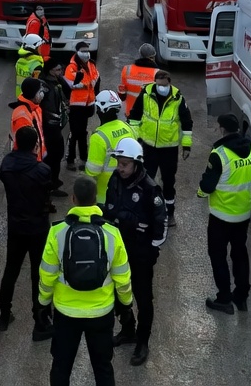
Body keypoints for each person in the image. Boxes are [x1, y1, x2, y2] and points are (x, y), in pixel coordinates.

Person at [38, 176, 133, 386]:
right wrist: (126, 305)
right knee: (103, 368)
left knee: (61, 367)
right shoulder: (112, 233)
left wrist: (43, 303)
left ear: (73, 199)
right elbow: (123, 277)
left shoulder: (57, 232)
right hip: (101, 312)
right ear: (95, 199)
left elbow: (47, 274)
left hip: (66, 312)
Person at [103, 137, 167, 367]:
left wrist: (152, 250)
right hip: (119, 251)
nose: (120, 168)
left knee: (143, 298)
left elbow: (161, 224)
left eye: (124, 164)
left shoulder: (150, 189)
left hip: (141, 254)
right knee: (119, 293)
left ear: (137, 163)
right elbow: (110, 209)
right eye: (119, 163)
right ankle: (127, 329)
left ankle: (142, 341)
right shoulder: (115, 179)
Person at [197, 113, 251, 315]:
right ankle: (241, 297)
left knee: (218, 256)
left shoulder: (219, 154)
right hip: (243, 214)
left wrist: (199, 192)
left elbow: (207, 186)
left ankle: (224, 298)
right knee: (240, 254)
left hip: (221, 217)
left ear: (222, 128)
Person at [0, 125, 55, 342]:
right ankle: (40, 319)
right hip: (38, 228)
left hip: (16, 226)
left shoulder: (6, 166)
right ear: (35, 145)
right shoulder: (42, 170)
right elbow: (46, 190)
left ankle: (4, 314)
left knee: (10, 269)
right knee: (38, 274)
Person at [127, 69, 192, 226]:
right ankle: (146, 211)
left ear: (169, 82)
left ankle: (170, 214)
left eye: (163, 85)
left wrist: (187, 146)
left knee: (168, 182)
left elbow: (187, 123)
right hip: (148, 146)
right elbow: (134, 117)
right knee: (146, 179)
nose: (160, 87)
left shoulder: (178, 99)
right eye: (158, 84)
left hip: (169, 148)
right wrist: (134, 141)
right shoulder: (146, 94)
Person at [84, 90, 132, 204]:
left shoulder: (98, 137)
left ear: (100, 110)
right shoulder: (127, 127)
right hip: (127, 193)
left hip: (105, 196)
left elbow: (92, 172)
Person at [35, 58, 69, 197]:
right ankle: (50, 184)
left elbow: (67, 91)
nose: (60, 72)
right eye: (57, 70)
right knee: (53, 156)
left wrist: (60, 78)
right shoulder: (46, 86)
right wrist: (54, 121)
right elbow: (48, 108)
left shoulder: (56, 82)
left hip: (55, 126)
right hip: (50, 127)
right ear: (50, 71)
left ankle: (53, 181)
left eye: (61, 70)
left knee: (57, 154)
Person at [64, 43, 100, 172]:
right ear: (77, 52)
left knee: (83, 133)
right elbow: (70, 83)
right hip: (76, 105)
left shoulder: (91, 64)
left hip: (87, 104)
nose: (86, 53)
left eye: (87, 50)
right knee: (75, 134)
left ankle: (84, 159)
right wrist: (85, 84)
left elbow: (95, 77)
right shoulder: (72, 67)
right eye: (83, 51)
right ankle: (70, 160)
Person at [10, 76, 46, 162]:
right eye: (40, 91)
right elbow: (25, 145)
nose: (42, 94)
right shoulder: (22, 116)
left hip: (36, 158)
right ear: (33, 94)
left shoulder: (35, 108)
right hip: (28, 161)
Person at [118, 44, 158, 115]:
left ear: (140, 56)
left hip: (131, 113)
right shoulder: (157, 73)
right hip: (148, 115)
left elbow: (122, 95)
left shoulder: (127, 70)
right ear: (153, 57)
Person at [15, 34, 45, 98]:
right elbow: (35, 83)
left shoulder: (19, 61)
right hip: (32, 98)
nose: (41, 48)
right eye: (39, 46)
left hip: (20, 95)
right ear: (34, 47)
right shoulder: (37, 65)